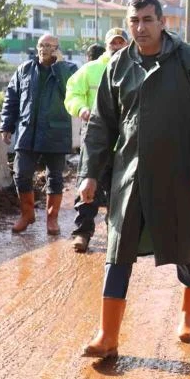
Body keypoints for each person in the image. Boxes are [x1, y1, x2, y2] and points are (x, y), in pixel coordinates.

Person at [79, 0, 190, 358]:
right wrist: (90, 174)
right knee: (117, 250)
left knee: (185, 246)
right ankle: (107, 335)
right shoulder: (118, 65)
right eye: (134, 21)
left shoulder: (187, 59)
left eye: (147, 20)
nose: (140, 28)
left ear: (162, 22)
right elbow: (101, 125)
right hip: (129, 175)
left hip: (178, 174)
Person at [0, 34, 78, 235]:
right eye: (42, 45)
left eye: (50, 46)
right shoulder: (24, 69)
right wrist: (6, 125)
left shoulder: (69, 70)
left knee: (55, 178)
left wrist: (58, 66)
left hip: (56, 132)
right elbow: (12, 99)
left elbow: (70, 92)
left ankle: (52, 219)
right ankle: (27, 214)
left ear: (58, 49)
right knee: (21, 173)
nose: (45, 49)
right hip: (28, 131)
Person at [65, 28, 129, 253]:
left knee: (119, 192)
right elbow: (72, 93)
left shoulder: (134, 70)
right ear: (107, 44)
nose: (117, 46)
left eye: (121, 43)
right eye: (114, 42)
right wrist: (81, 109)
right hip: (94, 140)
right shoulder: (91, 70)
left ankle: (115, 236)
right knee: (87, 186)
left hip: (123, 144)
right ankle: (82, 233)